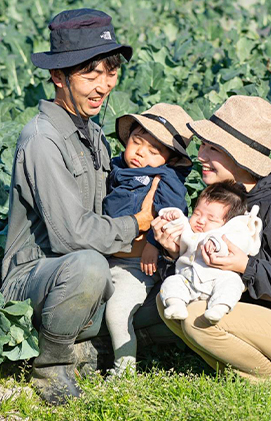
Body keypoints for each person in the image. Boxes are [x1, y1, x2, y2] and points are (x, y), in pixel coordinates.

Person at [0, 8, 158, 405]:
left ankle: (83, 344)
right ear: (58, 76)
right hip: (34, 279)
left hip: (82, 271)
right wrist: (134, 224)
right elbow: (70, 235)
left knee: (166, 291)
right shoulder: (42, 139)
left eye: (110, 72)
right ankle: (52, 365)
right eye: (90, 74)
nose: (103, 85)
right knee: (88, 264)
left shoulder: (92, 133)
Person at [152, 95, 271, 381]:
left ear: (240, 156)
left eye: (213, 149)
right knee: (166, 302)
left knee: (196, 320)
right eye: (203, 145)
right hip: (260, 318)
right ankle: (239, 378)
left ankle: (268, 381)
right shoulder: (231, 199)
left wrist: (246, 266)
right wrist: (174, 252)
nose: (201, 156)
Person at [103, 104, 193, 377]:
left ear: (169, 159)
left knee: (117, 312)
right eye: (137, 143)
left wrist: (153, 244)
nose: (141, 153)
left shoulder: (164, 179)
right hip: (104, 258)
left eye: (154, 152)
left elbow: (172, 218)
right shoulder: (113, 169)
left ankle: (124, 372)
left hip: (136, 267)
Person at [159, 181, 262, 324]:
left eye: (211, 219)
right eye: (197, 213)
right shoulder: (190, 231)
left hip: (218, 280)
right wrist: (172, 216)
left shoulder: (232, 232)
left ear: (228, 223)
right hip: (189, 279)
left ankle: (219, 308)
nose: (200, 221)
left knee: (233, 284)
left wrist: (217, 244)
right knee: (171, 282)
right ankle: (177, 305)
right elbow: (178, 224)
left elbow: (242, 242)